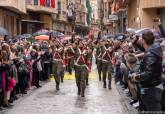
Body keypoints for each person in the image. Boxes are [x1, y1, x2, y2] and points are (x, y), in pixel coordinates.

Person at [131, 31, 163, 112]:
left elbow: (148, 73)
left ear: (143, 41)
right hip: (154, 86)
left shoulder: (150, 54)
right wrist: (135, 41)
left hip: (151, 89)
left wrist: (136, 77)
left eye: (141, 39)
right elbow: (144, 48)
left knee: (154, 110)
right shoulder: (155, 48)